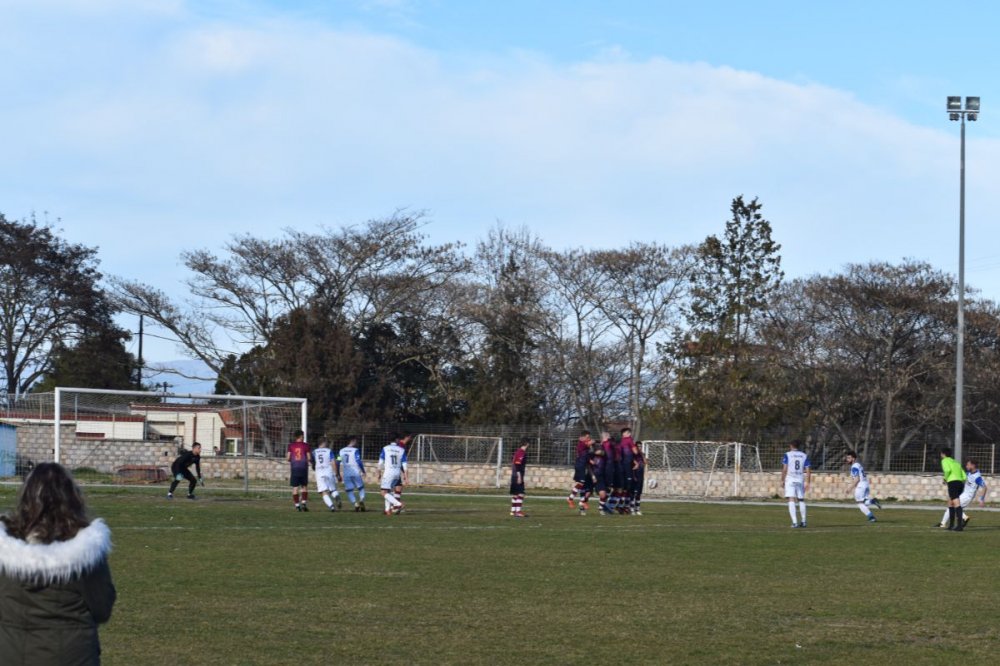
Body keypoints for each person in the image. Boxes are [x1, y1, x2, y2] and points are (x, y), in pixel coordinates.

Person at [0, 463, 116, 665]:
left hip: (12, 653)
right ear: (72, 498)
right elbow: (102, 608)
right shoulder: (87, 551)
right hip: (73, 654)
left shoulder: (5, 548)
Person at [938, 457, 986, 529]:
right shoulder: (969, 473)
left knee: (952, 505)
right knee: (954, 506)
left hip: (968, 496)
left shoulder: (977, 477)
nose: (966, 466)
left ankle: (943, 523)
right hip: (963, 494)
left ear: (973, 466)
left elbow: (985, 487)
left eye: (968, 465)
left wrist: (982, 499)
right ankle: (964, 518)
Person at [845, 450, 881, 523]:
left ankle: (871, 514)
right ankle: (872, 516)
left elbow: (857, 479)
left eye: (849, 458)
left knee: (860, 503)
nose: (847, 460)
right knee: (864, 503)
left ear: (853, 459)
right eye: (847, 458)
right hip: (866, 484)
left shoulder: (854, 467)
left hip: (860, 486)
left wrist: (849, 488)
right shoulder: (858, 465)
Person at [781, 440, 811, 528]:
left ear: (791, 446)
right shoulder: (804, 455)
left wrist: (782, 479)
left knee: (791, 499)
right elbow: (808, 470)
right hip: (800, 479)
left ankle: (794, 522)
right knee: (801, 499)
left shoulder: (787, 454)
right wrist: (808, 482)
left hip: (790, 478)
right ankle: (804, 521)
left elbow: (784, 469)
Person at [378, 434, 407, 515]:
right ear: (397, 440)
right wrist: (406, 476)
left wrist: (379, 472)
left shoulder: (385, 448)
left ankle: (398, 504)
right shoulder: (401, 449)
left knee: (383, 492)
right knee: (388, 491)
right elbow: (405, 465)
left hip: (388, 473)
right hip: (397, 473)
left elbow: (380, 463)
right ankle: (387, 510)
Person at [312, 436, 342, 512]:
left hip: (319, 473)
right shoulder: (329, 451)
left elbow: (312, 462)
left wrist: (314, 466)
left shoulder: (314, 452)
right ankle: (336, 496)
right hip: (328, 472)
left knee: (323, 492)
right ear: (324, 442)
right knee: (332, 489)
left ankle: (331, 506)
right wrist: (337, 473)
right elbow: (333, 462)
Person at [337, 436, 367, 512]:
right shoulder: (355, 450)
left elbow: (337, 462)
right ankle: (361, 500)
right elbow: (358, 461)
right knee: (361, 488)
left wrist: (337, 473)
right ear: (352, 441)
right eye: (355, 441)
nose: (356, 443)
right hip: (356, 472)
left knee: (349, 490)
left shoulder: (341, 451)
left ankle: (355, 504)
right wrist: (363, 471)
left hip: (346, 473)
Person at [940, 447, 967, 531]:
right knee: (950, 503)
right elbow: (964, 476)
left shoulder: (944, 461)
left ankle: (959, 526)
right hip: (960, 483)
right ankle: (951, 525)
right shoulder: (956, 462)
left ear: (943, 454)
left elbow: (947, 470)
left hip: (953, 483)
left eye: (941, 453)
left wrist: (945, 479)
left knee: (956, 504)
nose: (940, 455)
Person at [567, 430, 593, 508]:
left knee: (582, 483)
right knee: (581, 483)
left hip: (583, 465)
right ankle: (570, 498)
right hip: (580, 465)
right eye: (587, 437)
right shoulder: (581, 444)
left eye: (589, 437)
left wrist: (590, 460)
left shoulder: (584, 445)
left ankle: (582, 501)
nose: (589, 438)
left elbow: (585, 454)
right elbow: (589, 444)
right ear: (582, 437)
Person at [288, 430, 311, 512]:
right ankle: (304, 503)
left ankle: (297, 506)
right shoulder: (306, 445)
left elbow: (288, 458)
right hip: (303, 468)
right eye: (303, 435)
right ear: (301, 436)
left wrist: (293, 460)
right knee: (304, 486)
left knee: (295, 487)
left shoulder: (291, 445)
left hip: (294, 468)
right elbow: (309, 457)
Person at [509, 437, 530, 518]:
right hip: (517, 475)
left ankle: (513, 511)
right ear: (527, 444)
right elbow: (517, 464)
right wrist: (519, 476)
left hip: (514, 475)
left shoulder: (517, 451)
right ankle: (518, 512)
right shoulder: (521, 452)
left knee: (515, 494)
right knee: (521, 494)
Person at [619, 428, 635, 514]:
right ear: (624, 434)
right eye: (628, 432)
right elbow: (635, 452)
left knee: (624, 488)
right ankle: (623, 506)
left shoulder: (621, 441)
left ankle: (622, 506)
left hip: (621, 467)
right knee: (628, 488)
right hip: (627, 466)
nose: (630, 434)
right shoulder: (629, 440)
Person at [631, 440, 646, 516]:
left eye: (641, 446)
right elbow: (632, 466)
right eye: (638, 446)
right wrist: (633, 476)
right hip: (635, 476)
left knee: (639, 494)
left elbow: (645, 462)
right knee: (634, 493)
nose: (639, 447)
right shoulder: (633, 455)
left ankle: (638, 509)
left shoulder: (642, 454)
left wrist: (642, 455)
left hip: (641, 476)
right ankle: (632, 509)